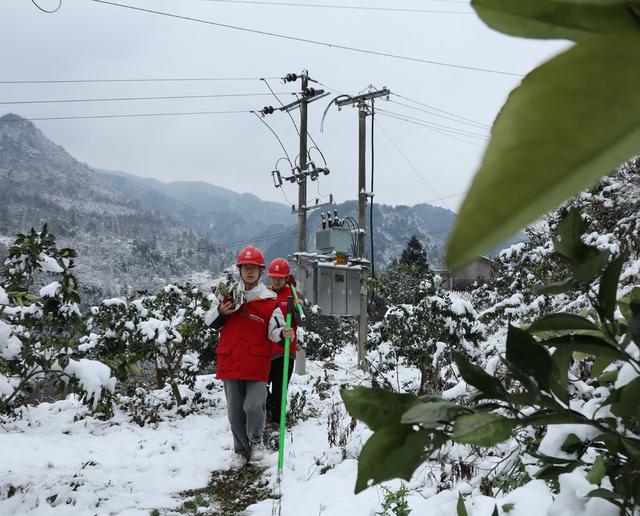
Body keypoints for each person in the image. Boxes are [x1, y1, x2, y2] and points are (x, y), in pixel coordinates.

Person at [205, 246, 295, 469]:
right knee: (234, 410)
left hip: (256, 362)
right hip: (231, 359)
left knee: (254, 405)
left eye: (254, 268)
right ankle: (240, 451)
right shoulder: (228, 296)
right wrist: (222, 312)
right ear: (240, 270)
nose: (249, 271)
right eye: (246, 268)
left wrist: (284, 333)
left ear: (260, 271)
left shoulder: (268, 300)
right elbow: (209, 321)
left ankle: (255, 441)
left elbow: (275, 330)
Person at [265, 257, 306, 427]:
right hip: (266, 350)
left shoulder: (294, 295)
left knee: (280, 390)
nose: (276, 281)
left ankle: (276, 422)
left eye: (280, 278)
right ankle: (267, 412)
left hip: (285, 351)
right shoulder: (265, 294)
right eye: (274, 277)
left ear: (287, 278)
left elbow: (304, 321)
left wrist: (299, 307)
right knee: (259, 385)